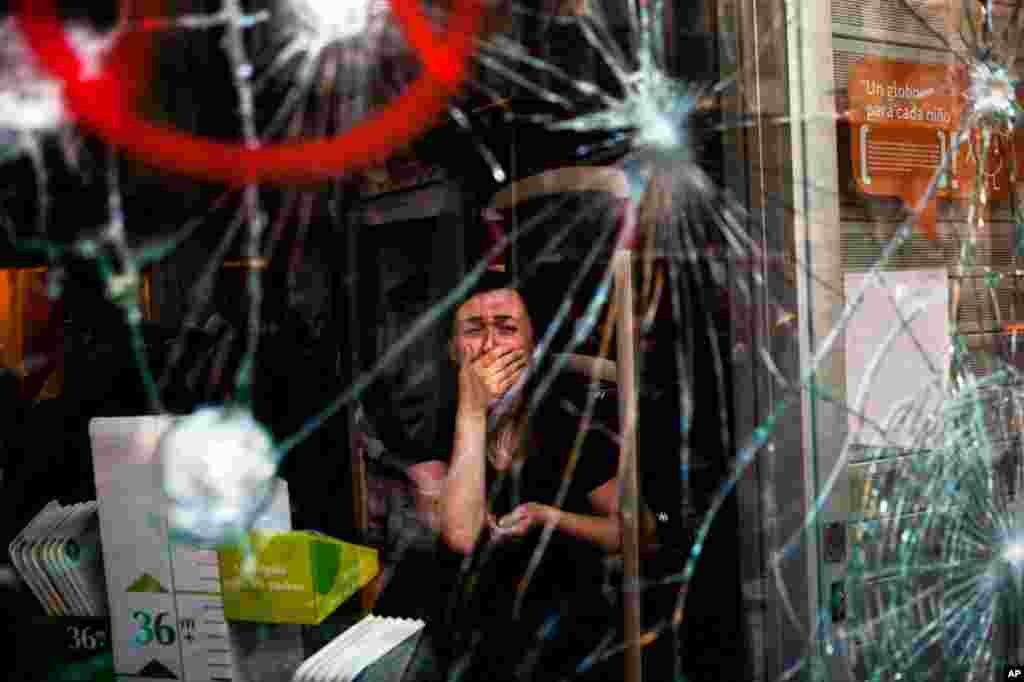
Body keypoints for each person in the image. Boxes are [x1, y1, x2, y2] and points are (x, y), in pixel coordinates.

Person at [397, 269, 656, 682]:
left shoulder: (570, 424)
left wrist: (548, 516)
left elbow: (639, 530)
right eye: (473, 330)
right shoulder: (431, 431)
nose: (488, 346)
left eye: (506, 329)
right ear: (453, 349)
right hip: (468, 655)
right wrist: (472, 409)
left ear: (534, 347)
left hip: (567, 650)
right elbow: (461, 534)